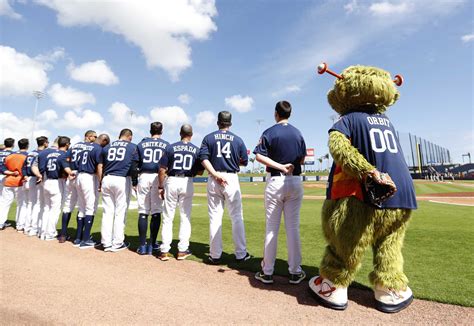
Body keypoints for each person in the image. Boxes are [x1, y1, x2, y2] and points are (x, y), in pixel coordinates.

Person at [253, 101, 307, 285]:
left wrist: (280, 167)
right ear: (289, 113)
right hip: (295, 181)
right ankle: (295, 272)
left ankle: (267, 272)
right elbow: (302, 158)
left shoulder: (269, 132)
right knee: (293, 228)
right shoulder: (297, 132)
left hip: (276, 181)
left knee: (272, 229)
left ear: (276, 113)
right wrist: (289, 166)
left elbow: (259, 156)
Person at [199, 111, 251, 263]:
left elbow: (203, 158)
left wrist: (215, 174)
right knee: (236, 217)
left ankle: (215, 255)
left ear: (218, 122)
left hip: (214, 177)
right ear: (230, 123)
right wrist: (233, 162)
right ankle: (241, 254)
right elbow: (244, 161)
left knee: (215, 217)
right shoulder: (238, 140)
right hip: (231, 178)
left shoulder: (209, 138)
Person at [158, 124, 204, 261]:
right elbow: (200, 171)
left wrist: (161, 186)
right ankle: (182, 250)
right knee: (185, 217)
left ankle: (164, 251)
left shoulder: (170, 147)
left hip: (172, 180)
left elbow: (162, 169)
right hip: (187, 182)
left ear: (180, 133)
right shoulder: (196, 149)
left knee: (167, 217)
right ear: (192, 134)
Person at [98, 128, 138, 252]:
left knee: (107, 212)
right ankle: (117, 242)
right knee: (120, 212)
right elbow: (133, 166)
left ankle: (105, 242)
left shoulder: (107, 147)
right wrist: (135, 182)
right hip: (121, 179)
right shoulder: (132, 147)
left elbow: (100, 165)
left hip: (107, 178)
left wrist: (101, 181)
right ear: (129, 136)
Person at [135, 122, 169, 255]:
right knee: (156, 211)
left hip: (143, 176)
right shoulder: (166, 145)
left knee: (143, 212)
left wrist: (134, 181)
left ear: (150, 130)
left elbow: (135, 163)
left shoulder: (141, 144)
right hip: (158, 176)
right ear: (162, 131)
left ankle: (142, 246)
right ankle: (152, 244)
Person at [32, 136, 74, 240]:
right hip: (57, 182)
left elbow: (40, 167)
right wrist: (70, 173)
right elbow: (66, 168)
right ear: (67, 144)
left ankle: (43, 232)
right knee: (55, 210)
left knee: (46, 208)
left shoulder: (48, 154)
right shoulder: (63, 154)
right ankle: (50, 233)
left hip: (46, 181)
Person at [72, 130, 103, 249]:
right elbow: (98, 165)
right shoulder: (96, 147)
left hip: (79, 176)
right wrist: (100, 181)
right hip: (89, 177)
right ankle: (85, 239)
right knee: (90, 207)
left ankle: (78, 238)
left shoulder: (81, 147)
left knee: (81, 207)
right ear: (89, 137)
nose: (95, 138)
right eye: (94, 136)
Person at [0, 138, 28, 231]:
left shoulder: (10, 156)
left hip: (8, 181)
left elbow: (3, 169)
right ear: (27, 146)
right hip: (19, 182)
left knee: (4, 203)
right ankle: (20, 225)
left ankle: (0, 223)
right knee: (21, 204)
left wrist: (11, 173)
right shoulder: (26, 156)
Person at [23, 136, 49, 236]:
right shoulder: (42, 153)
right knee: (38, 204)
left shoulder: (31, 152)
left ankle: (26, 227)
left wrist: (25, 175)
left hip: (28, 178)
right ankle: (34, 228)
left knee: (30, 204)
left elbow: (24, 166)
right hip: (36, 178)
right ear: (45, 143)